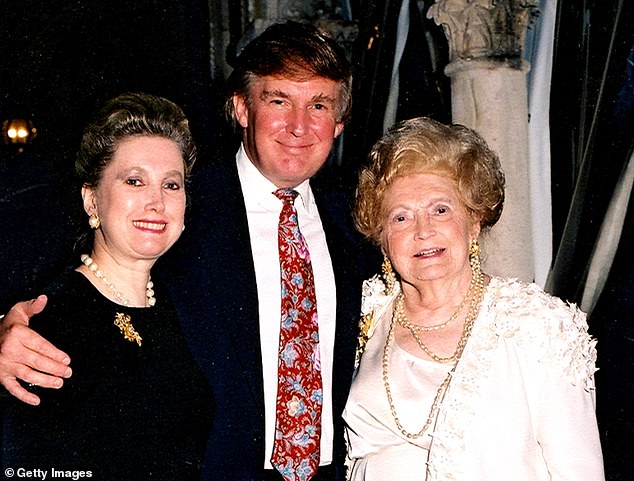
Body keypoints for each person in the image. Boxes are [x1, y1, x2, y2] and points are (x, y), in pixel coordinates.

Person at [0, 22, 378, 481]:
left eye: (318, 105)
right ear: (241, 107)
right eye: (278, 101)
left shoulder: (360, 224)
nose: (299, 126)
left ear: (338, 123)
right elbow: (58, 267)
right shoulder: (178, 205)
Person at [342, 117, 605, 480]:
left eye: (440, 210)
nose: (423, 231)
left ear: (474, 221)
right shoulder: (367, 314)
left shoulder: (538, 325)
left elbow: (580, 472)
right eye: (401, 218)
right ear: (382, 239)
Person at [1, 92, 214, 479]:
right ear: (91, 200)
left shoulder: (181, 306)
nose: (156, 202)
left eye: (171, 185)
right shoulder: (49, 323)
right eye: (134, 181)